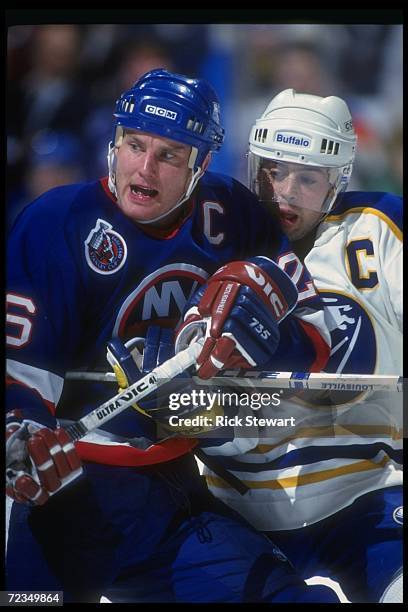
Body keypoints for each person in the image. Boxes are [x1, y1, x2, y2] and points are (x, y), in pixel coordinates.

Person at [6, 70, 339, 603]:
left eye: (169, 154)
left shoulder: (231, 213)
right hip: (66, 502)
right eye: (134, 145)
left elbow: (319, 341)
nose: (145, 167)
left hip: (174, 495)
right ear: (112, 144)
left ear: (200, 166)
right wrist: (20, 437)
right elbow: (17, 384)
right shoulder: (56, 223)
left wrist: (264, 326)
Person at [199, 89, 403, 603]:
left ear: (339, 181)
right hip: (234, 509)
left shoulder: (380, 231)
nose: (284, 194)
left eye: (308, 178)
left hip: (366, 494)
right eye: (274, 171)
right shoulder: (209, 232)